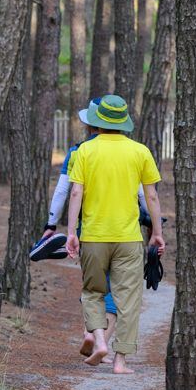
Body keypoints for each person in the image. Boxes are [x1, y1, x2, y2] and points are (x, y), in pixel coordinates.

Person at [66, 94, 165, 374]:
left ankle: (99, 341)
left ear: (98, 120)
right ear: (123, 122)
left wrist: (72, 231)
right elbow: (152, 196)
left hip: (94, 236)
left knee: (93, 292)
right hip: (129, 236)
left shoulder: (84, 151)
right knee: (129, 299)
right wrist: (157, 232)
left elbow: (76, 192)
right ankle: (120, 362)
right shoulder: (140, 151)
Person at [37, 127, 151, 358]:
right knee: (117, 288)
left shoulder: (79, 151)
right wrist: (153, 223)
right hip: (125, 232)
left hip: (89, 230)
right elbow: (142, 193)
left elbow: (64, 191)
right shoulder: (133, 150)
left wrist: (52, 224)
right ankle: (103, 342)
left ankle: (91, 333)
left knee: (93, 286)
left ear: (93, 124)